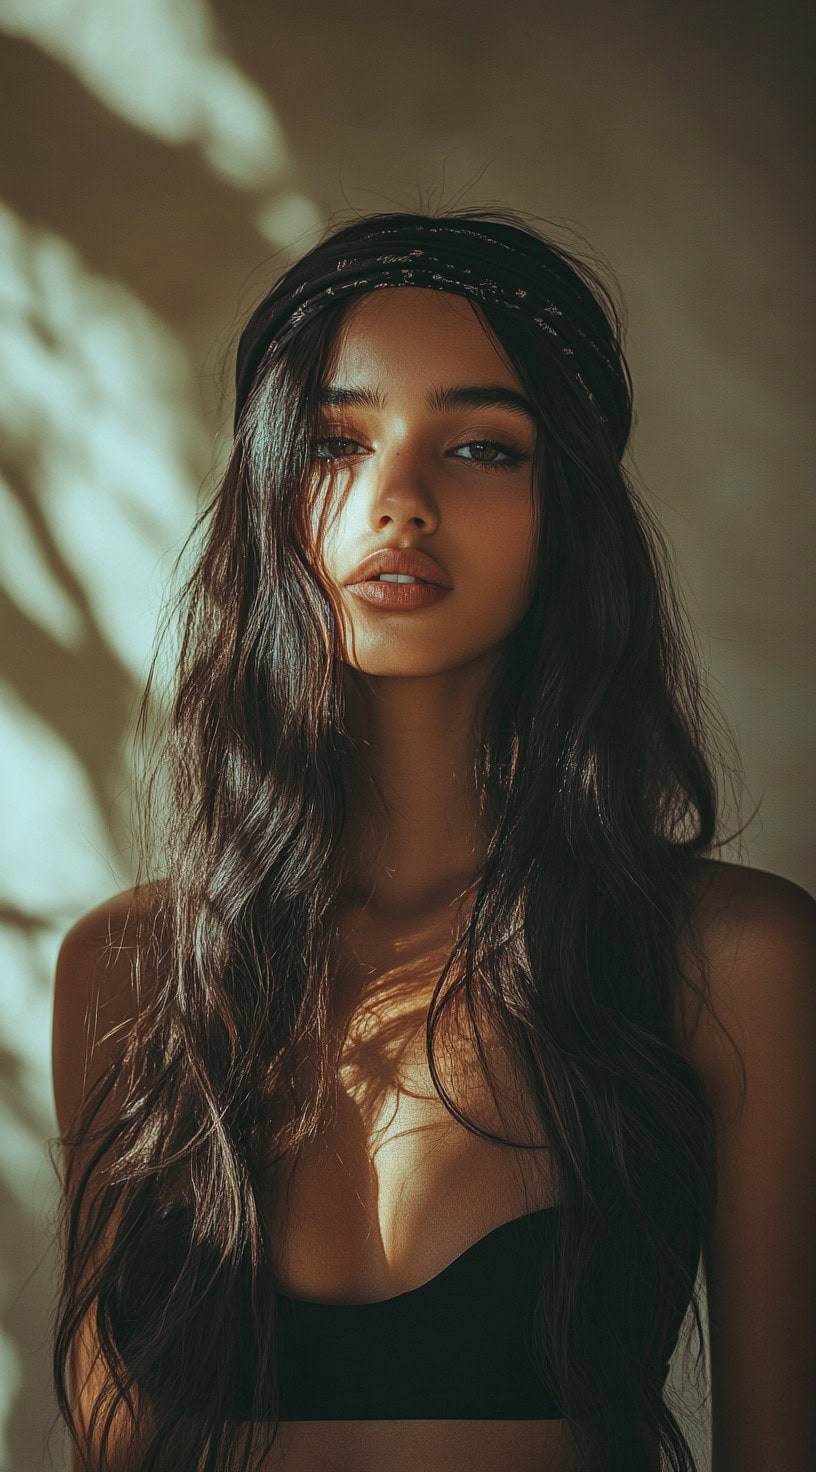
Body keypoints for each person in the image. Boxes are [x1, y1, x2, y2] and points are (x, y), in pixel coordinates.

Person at [51, 207, 816, 1472]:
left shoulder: (729, 959)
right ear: (264, 497)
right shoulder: (131, 971)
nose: (398, 501)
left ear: (566, 512)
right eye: (335, 442)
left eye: (479, 447)